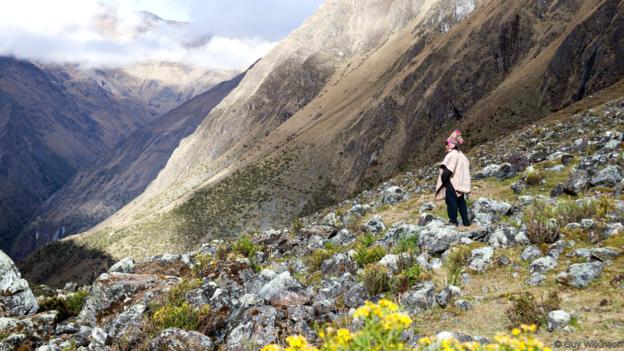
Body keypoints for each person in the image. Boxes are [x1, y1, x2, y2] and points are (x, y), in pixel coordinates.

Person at [435, 129, 471, 226]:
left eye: (447, 144)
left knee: (451, 203)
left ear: (452, 144)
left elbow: (448, 170)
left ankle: (453, 221)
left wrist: (444, 180)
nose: (446, 146)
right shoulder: (462, 155)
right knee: (461, 202)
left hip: (452, 183)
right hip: (460, 183)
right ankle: (466, 221)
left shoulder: (452, 155)